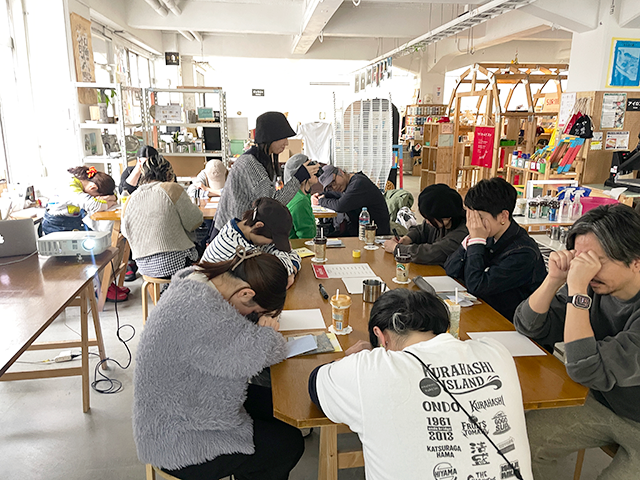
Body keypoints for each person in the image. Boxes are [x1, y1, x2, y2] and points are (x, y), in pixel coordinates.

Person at [308, 289, 532, 480]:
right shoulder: (496, 351)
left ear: (380, 336)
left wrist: (348, 360)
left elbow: (315, 383)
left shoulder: (368, 368)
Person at [133, 248, 304, 480]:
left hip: (184, 402)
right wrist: (267, 335)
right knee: (287, 445)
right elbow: (254, 355)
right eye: (255, 312)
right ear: (245, 293)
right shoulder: (203, 314)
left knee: (283, 406)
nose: (252, 316)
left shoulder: (200, 281)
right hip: (176, 437)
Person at [513, 204, 640, 479]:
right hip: (602, 402)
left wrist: (578, 291)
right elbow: (527, 324)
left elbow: (586, 369)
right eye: (580, 260)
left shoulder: (586, 288)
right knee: (520, 447)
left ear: (636, 261)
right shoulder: (594, 286)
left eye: (596, 261)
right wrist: (554, 279)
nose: (585, 270)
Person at [444, 177, 546, 321]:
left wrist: (476, 241)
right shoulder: (489, 234)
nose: (473, 224)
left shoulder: (523, 252)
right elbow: (450, 269)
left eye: (479, 217)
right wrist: (471, 240)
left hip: (510, 323)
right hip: (486, 312)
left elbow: (477, 286)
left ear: (503, 216)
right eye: (471, 217)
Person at [212, 111, 320, 237]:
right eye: (283, 138)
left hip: (235, 230)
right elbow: (271, 204)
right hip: (232, 234)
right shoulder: (251, 164)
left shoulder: (257, 159)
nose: (286, 143)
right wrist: (299, 177)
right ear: (270, 137)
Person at [42, 166, 127, 302]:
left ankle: (107, 283)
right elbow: (94, 205)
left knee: (103, 247)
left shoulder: (82, 182)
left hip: (72, 222)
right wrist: (106, 202)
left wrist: (107, 199)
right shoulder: (70, 188)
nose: (96, 198)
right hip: (58, 226)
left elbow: (109, 199)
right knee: (91, 255)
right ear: (93, 188)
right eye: (96, 196)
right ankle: (99, 288)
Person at [122, 155, 203, 279]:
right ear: (168, 174)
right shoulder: (171, 189)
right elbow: (194, 222)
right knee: (205, 244)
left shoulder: (131, 198)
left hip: (144, 267)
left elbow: (125, 232)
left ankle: (164, 290)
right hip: (176, 263)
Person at [202, 197, 301, 288]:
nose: (272, 243)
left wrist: (291, 270)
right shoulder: (239, 248)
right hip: (211, 296)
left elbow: (290, 254)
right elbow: (275, 277)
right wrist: (291, 270)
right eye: (272, 240)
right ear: (259, 225)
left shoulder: (241, 229)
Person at [383, 183, 468, 265]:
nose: (427, 222)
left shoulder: (462, 233)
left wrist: (396, 248)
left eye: (429, 219)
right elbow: (421, 230)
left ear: (447, 218)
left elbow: (431, 253)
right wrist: (407, 238)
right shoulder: (440, 220)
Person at [313, 165, 390, 236]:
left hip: (375, 235)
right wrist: (319, 195)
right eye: (330, 187)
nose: (334, 187)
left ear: (341, 172)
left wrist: (320, 201)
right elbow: (335, 194)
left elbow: (340, 206)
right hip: (359, 231)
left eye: (333, 181)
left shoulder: (358, 183)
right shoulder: (349, 183)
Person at [119, 145, 159, 281]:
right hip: (135, 212)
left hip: (155, 211)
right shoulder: (129, 172)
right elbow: (124, 191)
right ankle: (131, 260)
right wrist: (137, 170)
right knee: (129, 225)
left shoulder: (163, 171)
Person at [283, 153, 319, 239]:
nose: (316, 171)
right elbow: (307, 238)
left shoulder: (298, 195)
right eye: (311, 169)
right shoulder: (300, 201)